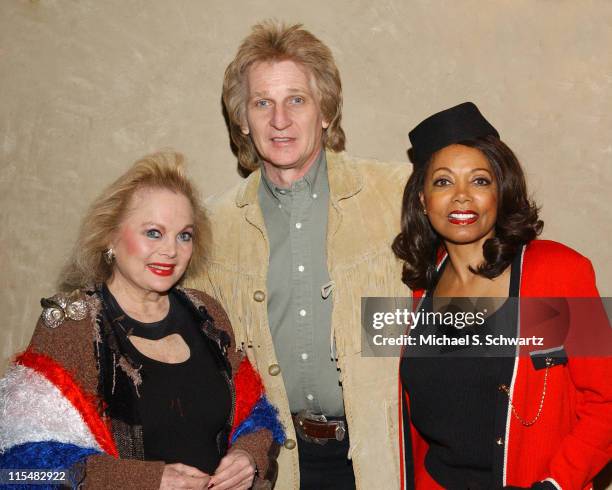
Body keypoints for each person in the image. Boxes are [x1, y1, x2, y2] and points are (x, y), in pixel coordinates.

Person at [189, 21, 410, 490]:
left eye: (296, 100)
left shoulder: (397, 196)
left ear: (325, 111)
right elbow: (203, 365)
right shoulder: (211, 228)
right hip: (278, 467)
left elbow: (480, 293)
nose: (280, 120)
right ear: (243, 120)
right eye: (262, 103)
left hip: (387, 457)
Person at [0, 151, 284, 490]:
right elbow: (20, 470)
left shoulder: (206, 313)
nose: (171, 251)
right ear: (110, 237)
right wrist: (147, 481)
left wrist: (247, 457)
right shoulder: (70, 326)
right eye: (153, 232)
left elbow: (255, 415)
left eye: (184, 235)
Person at [393, 102, 612, 489]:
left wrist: (558, 483)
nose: (461, 197)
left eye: (479, 181)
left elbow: (606, 403)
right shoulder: (418, 290)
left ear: (502, 192)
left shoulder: (560, 273)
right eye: (443, 182)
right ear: (423, 201)